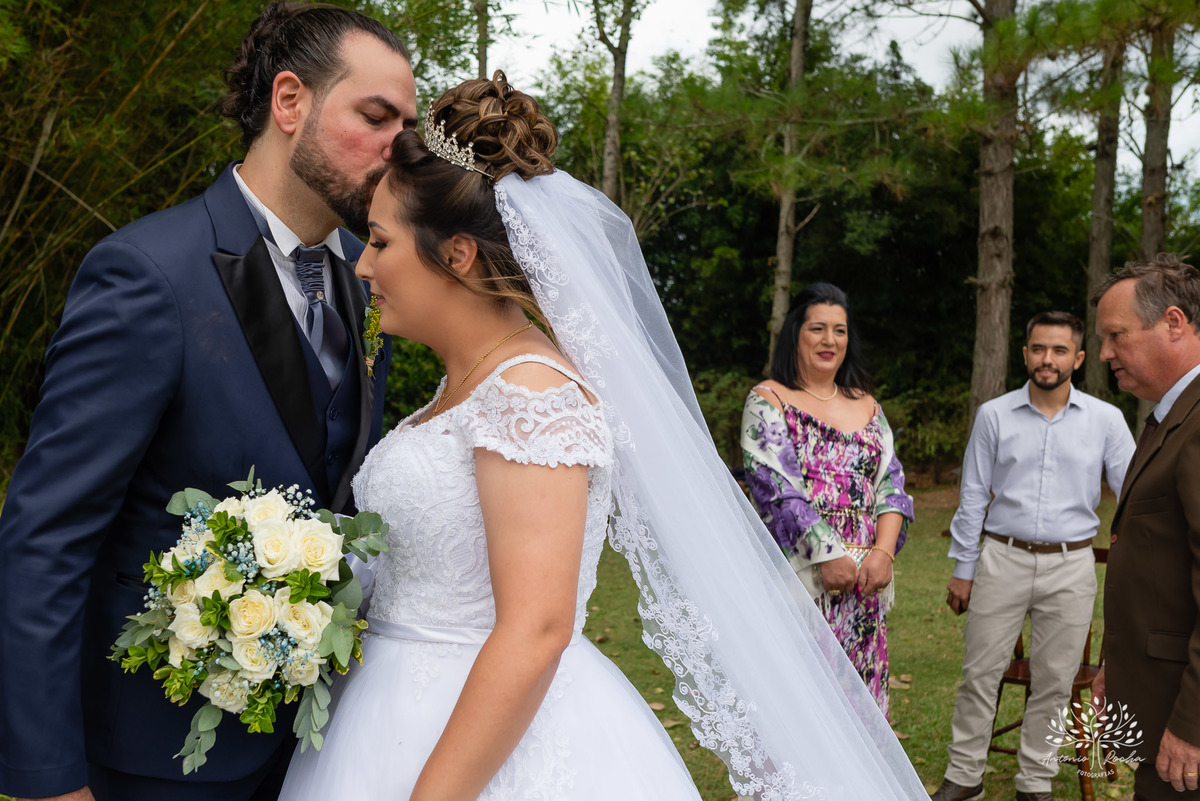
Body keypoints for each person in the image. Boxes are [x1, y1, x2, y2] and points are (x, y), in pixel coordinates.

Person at [279, 73, 928, 800]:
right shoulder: (466, 384)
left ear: (456, 254)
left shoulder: (532, 394)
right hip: (387, 714)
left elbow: (538, 626)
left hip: (480, 747)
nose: (363, 265)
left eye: (379, 241)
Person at [0, 5, 417, 801]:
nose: (398, 146)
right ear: (289, 103)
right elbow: (45, 538)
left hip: (318, 750)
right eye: (376, 115)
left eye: (406, 122)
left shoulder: (375, 274)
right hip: (155, 753)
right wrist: (47, 782)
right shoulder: (147, 274)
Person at [927, 311, 1135, 801]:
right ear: (1025, 354)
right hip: (1002, 558)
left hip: (1072, 564)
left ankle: (1035, 784)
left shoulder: (1106, 420)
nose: (1048, 359)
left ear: (1079, 358)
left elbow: (1134, 493)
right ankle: (964, 777)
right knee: (979, 673)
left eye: (1060, 350)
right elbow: (974, 494)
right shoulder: (994, 415)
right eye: (1039, 349)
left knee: (1055, 681)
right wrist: (963, 567)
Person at [740, 283, 913, 716]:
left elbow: (892, 487)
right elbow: (776, 490)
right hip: (800, 581)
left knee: (859, 711)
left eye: (839, 330)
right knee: (801, 710)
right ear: (796, 333)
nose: (829, 340)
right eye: (817, 328)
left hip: (865, 586)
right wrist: (826, 555)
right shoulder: (768, 400)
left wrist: (884, 554)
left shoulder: (869, 406)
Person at [1092, 255, 1200, 800]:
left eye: (1116, 336)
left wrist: (1193, 724)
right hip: (1154, 692)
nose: (1105, 352)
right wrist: (1117, 662)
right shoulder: (1167, 415)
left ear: (1174, 323)